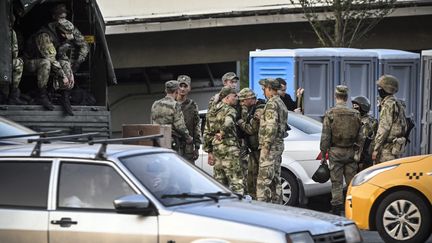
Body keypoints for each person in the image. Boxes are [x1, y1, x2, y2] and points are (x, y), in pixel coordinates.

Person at [320, 85, 361, 215]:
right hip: (350, 151)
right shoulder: (356, 114)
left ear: (335, 96)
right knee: (351, 183)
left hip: (335, 152)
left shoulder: (330, 113)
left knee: (336, 182)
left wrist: (323, 153)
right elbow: (361, 136)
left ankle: (336, 209)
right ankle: (354, 208)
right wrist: (357, 151)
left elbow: (325, 135)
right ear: (347, 98)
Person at [24, 19, 78, 115]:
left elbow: (63, 57)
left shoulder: (59, 36)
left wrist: (70, 73)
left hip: (49, 62)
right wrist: (63, 76)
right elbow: (51, 58)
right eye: (64, 34)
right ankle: (42, 95)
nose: (65, 37)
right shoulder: (44, 35)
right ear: (58, 30)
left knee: (65, 63)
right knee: (46, 62)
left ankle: (65, 97)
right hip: (31, 62)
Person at [257, 78, 288, 204]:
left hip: (271, 147)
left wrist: (266, 146)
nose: (263, 91)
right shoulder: (280, 102)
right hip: (278, 145)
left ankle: (262, 209)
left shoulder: (271, 104)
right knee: (275, 179)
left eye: (264, 88)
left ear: (270, 89)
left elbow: (271, 125)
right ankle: (278, 207)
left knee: (263, 181)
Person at [211, 87, 244, 194]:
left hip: (217, 150)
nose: (237, 98)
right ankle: (240, 207)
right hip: (230, 151)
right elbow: (229, 121)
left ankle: (221, 207)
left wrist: (208, 150)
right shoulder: (230, 110)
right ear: (227, 97)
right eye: (234, 96)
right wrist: (222, 132)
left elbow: (207, 130)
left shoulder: (213, 110)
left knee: (219, 184)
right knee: (236, 183)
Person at [203, 72, 238, 166]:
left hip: (236, 141)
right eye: (232, 82)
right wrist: (209, 150)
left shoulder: (237, 98)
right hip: (220, 142)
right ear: (225, 83)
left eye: (235, 82)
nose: (234, 84)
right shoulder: (215, 99)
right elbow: (210, 123)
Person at [236, 88, 265, 199]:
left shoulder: (259, 109)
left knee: (259, 177)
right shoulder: (251, 108)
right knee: (251, 178)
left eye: (244, 101)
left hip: (259, 150)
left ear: (250, 99)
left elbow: (251, 129)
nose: (242, 103)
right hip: (253, 149)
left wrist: (240, 122)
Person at [372, 75, 407, 164]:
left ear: (386, 89)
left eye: (380, 87)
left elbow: (384, 128)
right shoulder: (398, 103)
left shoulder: (388, 105)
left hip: (387, 149)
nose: (378, 89)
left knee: (384, 174)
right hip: (395, 147)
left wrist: (376, 148)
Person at [151, 80, 193, 152]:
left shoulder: (155, 104)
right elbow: (180, 127)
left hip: (157, 141)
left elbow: (152, 122)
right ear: (177, 91)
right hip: (171, 142)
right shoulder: (175, 105)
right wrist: (188, 138)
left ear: (165, 90)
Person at [50, 3, 89, 73]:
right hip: (51, 60)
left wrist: (78, 61)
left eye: (64, 18)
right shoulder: (49, 30)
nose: (63, 21)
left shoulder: (70, 28)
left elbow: (84, 45)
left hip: (67, 61)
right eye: (61, 18)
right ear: (54, 16)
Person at [0, 14, 25, 105]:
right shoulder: (10, 32)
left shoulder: (11, 32)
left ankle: (12, 95)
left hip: (5, 63)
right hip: (4, 63)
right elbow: (15, 52)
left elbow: (15, 52)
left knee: (18, 62)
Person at [176, 75, 201, 163]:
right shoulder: (171, 103)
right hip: (174, 145)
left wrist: (197, 147)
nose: (182, 89)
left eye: (185, 86)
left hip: (188, 147)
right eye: (180, 86)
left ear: (189, 88)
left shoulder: (192, 105)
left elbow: (196, 126)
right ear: (176, 87)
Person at [351, 96, 378, 171]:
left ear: (363, 107)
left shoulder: (371, 122)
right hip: (355, 155)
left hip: (365, 155)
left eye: (356, 106)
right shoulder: (354, 119)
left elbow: (365, 139)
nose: (354, 108)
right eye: (353, 106)